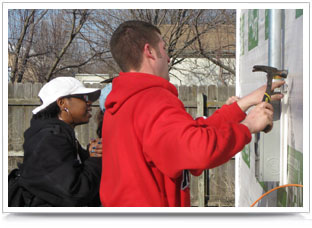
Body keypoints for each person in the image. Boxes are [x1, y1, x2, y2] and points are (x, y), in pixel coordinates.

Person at [99, 20, 285, 207]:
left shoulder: (124, 102)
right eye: (164, 48)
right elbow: (198, 149)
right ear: (149, 51)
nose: (169, 58)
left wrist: (244, 103)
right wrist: (248, 126)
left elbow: (189, 137)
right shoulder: (151, 99)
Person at [16, 77, 103, 207]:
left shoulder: (59, 134)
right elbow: (74, 193)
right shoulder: (49, 139)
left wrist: (88, 155)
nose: (89, 102)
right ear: (62, 103)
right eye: (84, 97)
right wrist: (95, 159)